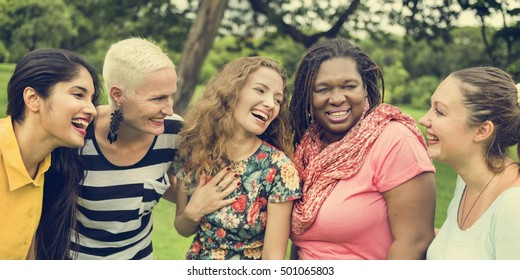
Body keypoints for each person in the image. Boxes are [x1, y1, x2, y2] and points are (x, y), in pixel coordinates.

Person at [288, 38, 436, 260]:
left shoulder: (394, 141)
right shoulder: (307, 149)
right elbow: (304, 245)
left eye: (348, 86)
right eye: (323, 89)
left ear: (366, 88)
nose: (337, 98)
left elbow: (416, 242)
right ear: (308, 97)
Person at [174, 56, 301, 260]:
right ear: (232, 92)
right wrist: (194, 210)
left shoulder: (278, 169)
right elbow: (182, 227)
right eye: (260, 90)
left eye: (278, 100)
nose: (270, 104)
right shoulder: (193, 150)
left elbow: (273, 258)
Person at [70, 37, 182, 259]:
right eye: (158, 98)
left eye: (171, 96)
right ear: (118, 95)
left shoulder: (174, 132)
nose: (169, 109)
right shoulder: (78, 133)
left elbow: (167, 186)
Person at [0, 48, 100, 259]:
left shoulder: (45, 164)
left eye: (92, 99)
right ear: (33, 98)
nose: (92, 109)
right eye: (78, 94)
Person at [420, 67, 520, 259]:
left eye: (440, 112)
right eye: (430, 107)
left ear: (482, 130)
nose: (424, 119)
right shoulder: (466, 181)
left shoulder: (513, 209)